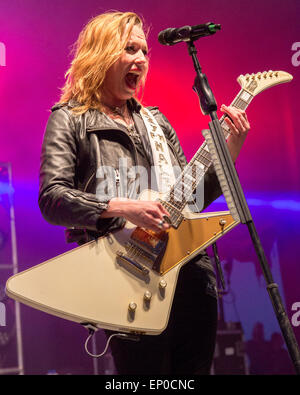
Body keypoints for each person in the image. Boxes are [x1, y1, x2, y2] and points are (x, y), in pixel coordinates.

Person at [39, 11, 250, 375]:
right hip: (128, 277)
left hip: (189, 274)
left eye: (145, 52)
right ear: (101, 54)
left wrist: (232, 147)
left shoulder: (157, 121)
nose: (141, 59)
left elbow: (191, 198)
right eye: (129, 49)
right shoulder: (70, 119)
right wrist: (121, 207)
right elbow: (52, 199)